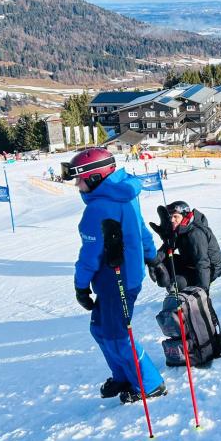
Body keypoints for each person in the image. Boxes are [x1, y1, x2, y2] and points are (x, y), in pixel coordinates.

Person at [66, 147, 166, 404]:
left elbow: (89, 255)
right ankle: (123, 375)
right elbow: (141, 229)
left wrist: (80, 286)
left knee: (118, 336)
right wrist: (152, 257)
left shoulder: (98, 208)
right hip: (124, 277)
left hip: (116, 281)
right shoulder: (124, 193)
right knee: (100, 329)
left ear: (96, 177)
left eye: (80, 179)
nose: (77, 185)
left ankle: (150, 384)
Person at [149, 201, 221, 294]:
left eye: (175, 216)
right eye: (171, 217)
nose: (172, 220)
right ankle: (176, 287)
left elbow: (203, 263)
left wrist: (203, 291)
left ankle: (185, 289)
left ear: (185, 216)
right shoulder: (181, 229)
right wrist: (154, 262)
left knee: (178, 283)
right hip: (191, 264)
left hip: (208, 271)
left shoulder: (195, 234)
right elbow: (167, 248)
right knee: (164, 261)